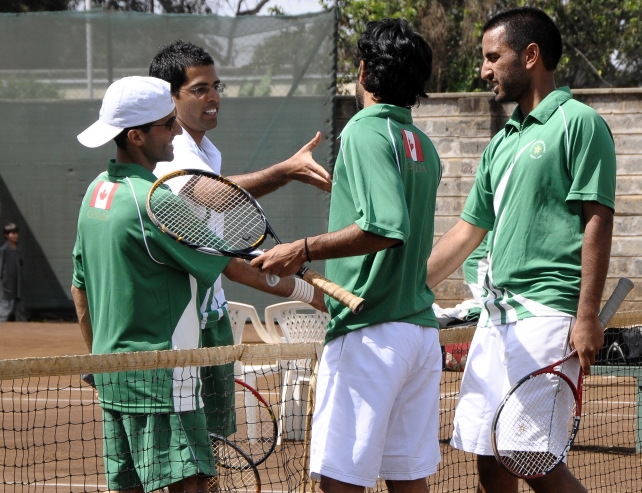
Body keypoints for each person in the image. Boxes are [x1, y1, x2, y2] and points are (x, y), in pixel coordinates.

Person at [72, 76, 323, 493]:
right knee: (193, 485)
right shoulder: (159, 202)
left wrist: (98, 360)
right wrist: (312, 294)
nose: (176, 132)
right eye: (168, 124)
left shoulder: (94, 193)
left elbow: (80, 290)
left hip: (112, 375)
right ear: (136, 136)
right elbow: (238, 269)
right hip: (164, 381)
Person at [426, 7, 616, 493]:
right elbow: (467, 232)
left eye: (494, 57)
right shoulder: (501, 142)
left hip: (547, 315)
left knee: (527, 454)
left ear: (531, 56)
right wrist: (403, 285)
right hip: (495, 319)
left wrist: (587, 315)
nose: (484, 70)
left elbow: (598, 220)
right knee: (489, 459)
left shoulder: (580, 123)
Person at [252, 19, 441, 493]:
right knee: (407, 480)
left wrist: (302, 248)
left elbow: (384, 228)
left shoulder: (363, 131)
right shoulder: (423, 145)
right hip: (418, 334)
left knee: (339, 482)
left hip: (369, 336)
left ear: (363, 71)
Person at [148, 40, 332, 438]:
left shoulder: (207, 152)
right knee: (185, 454)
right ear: (170, 97)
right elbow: (209, 193)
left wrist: (310, 293)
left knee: (212, 445)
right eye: (199, 89)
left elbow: (231, 265)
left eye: (216, 86)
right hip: (179, 329)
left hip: (211, 320)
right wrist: (286, 171)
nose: (213, 97)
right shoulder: (173, 151)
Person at [0, 223, 26, 322]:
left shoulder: (20, 248)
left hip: (19, 281)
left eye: (16, 233)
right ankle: (1, 323)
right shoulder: (3, 250)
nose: (15, 235)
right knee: (7, 302)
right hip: (8, 281)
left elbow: (21, 263)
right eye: (12, 233)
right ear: (6, 235)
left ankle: (22, 324)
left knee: (20, 303)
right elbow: (1, 264)